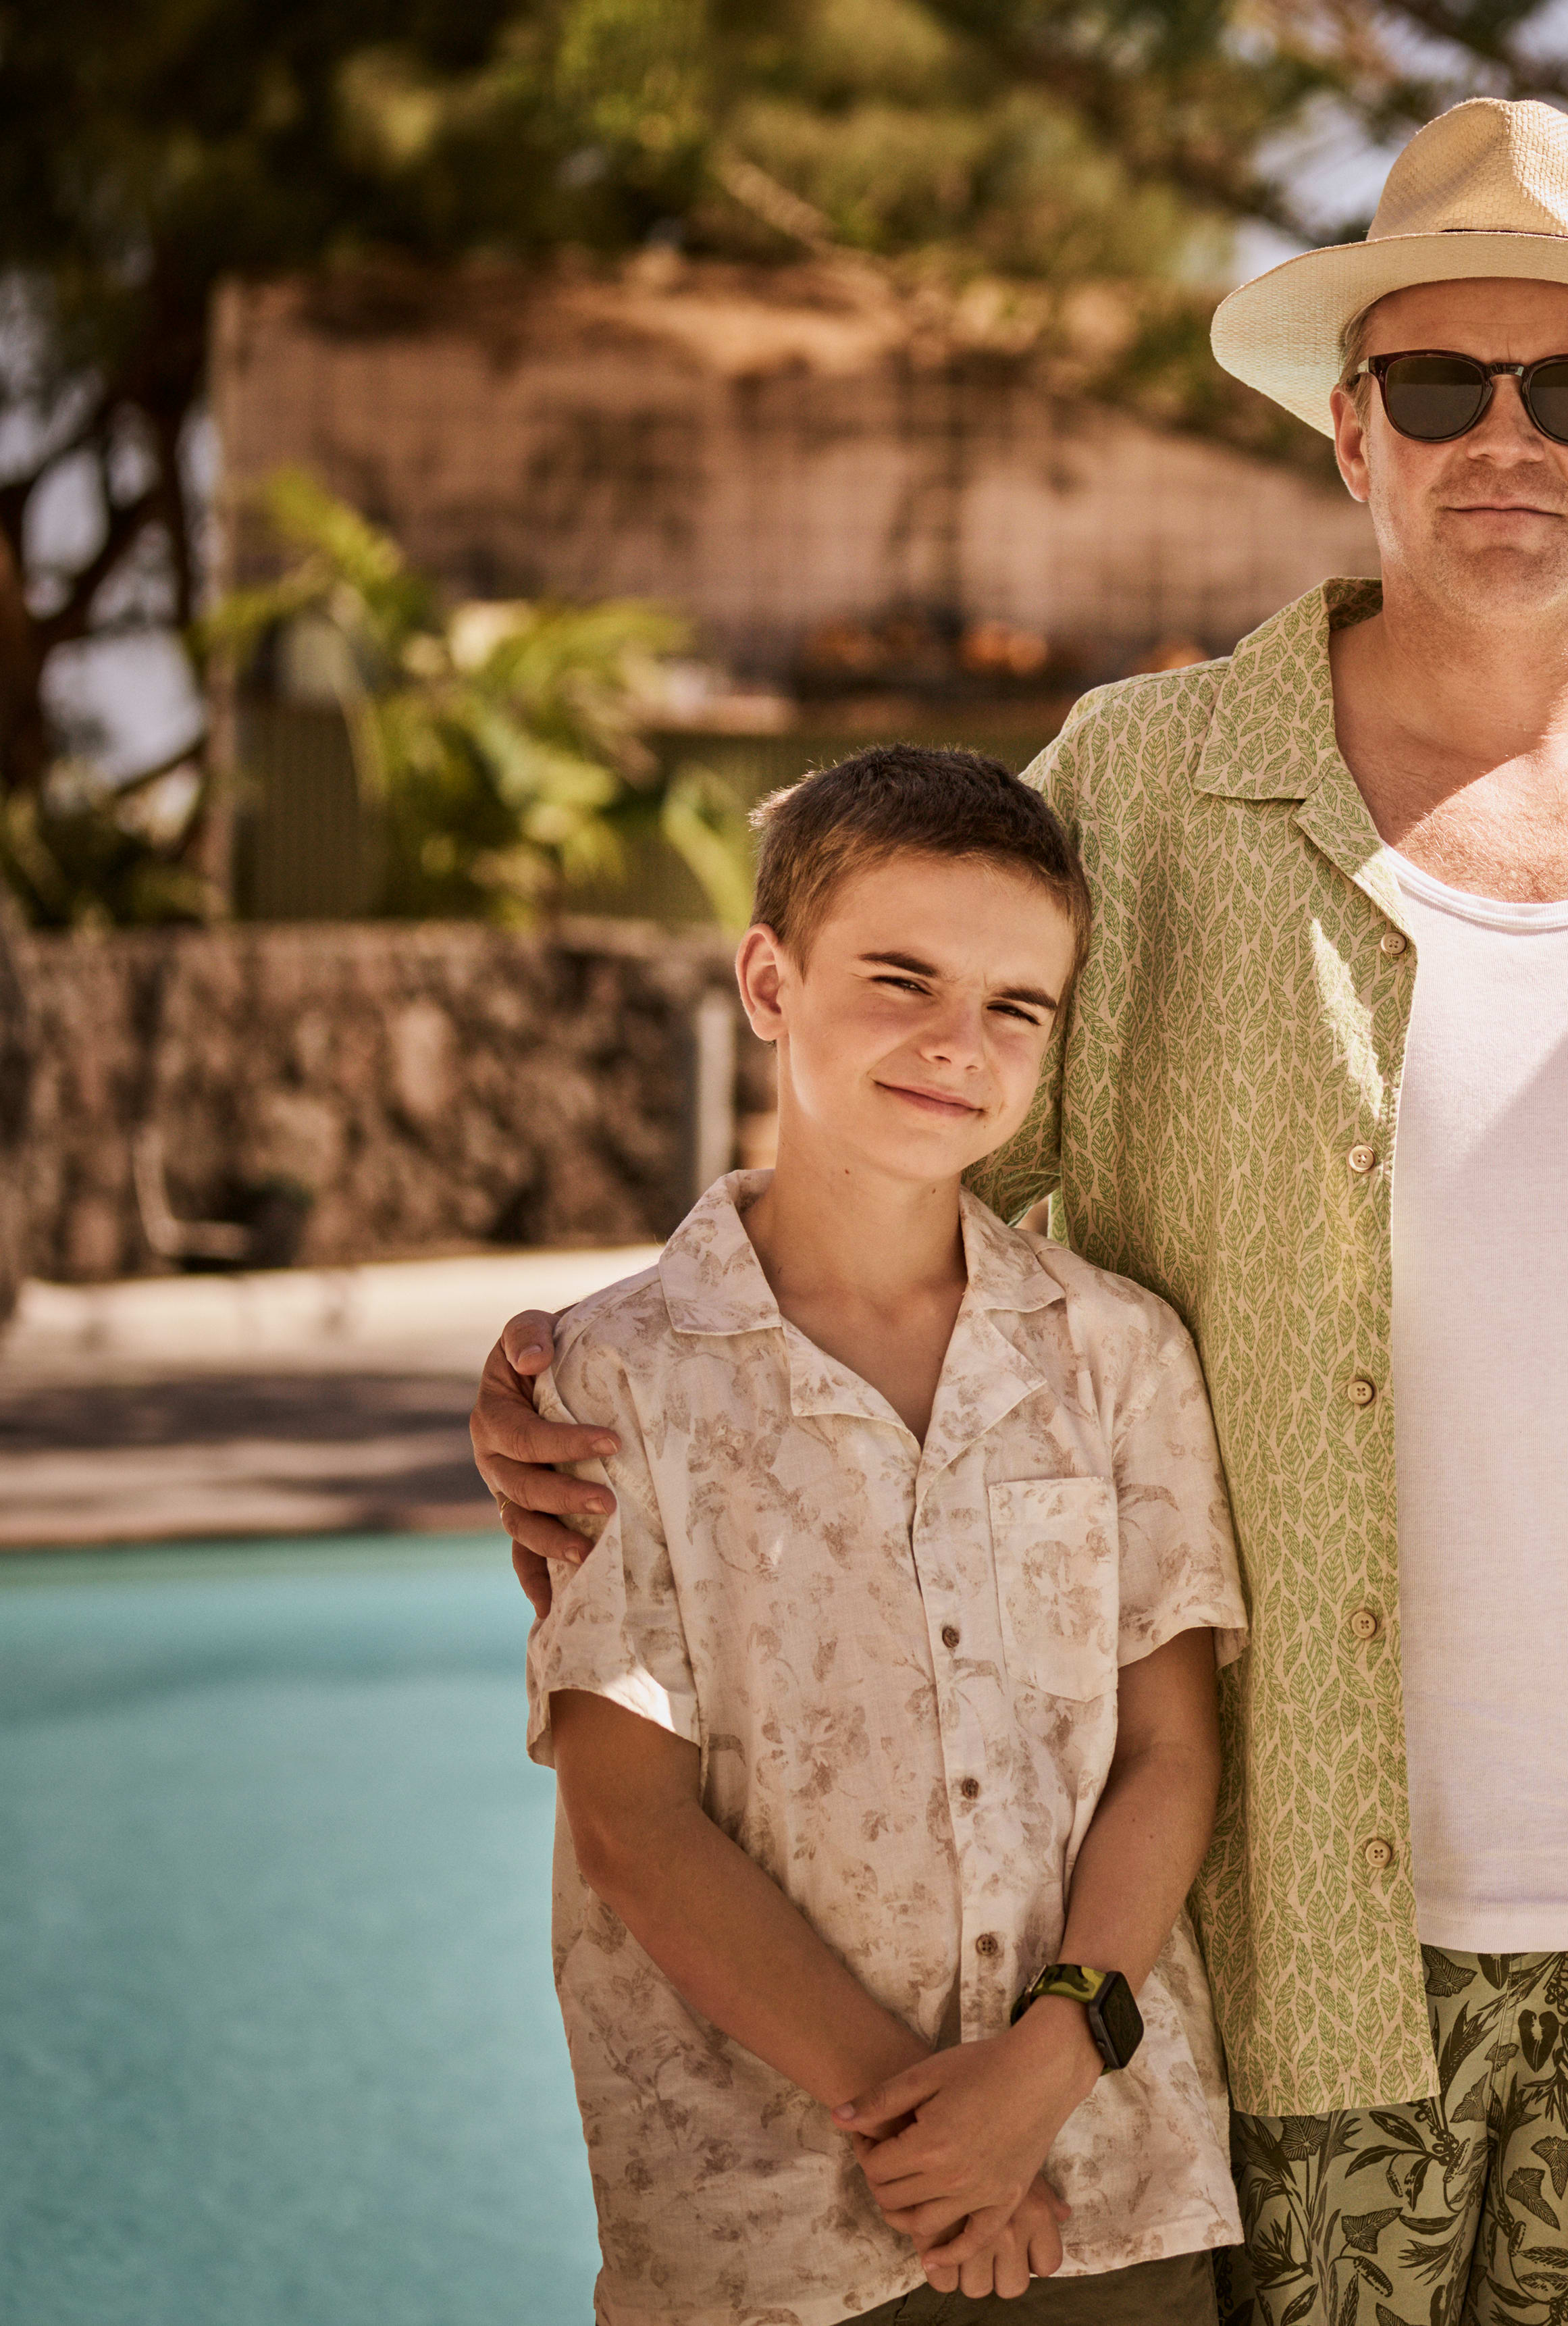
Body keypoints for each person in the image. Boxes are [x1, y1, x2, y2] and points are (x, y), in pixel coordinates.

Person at [475, 99, 1568, 2326]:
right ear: (1353, 434)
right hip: (1282, 1936)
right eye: (1439, 385)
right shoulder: (1133, 794)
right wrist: (615, 1382)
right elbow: (910, 1119)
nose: (1501, 437)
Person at [527, 746, 1245, 2326]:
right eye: (901, 979)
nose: (955, 1046)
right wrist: (930, 2134)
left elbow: (1168, 1754)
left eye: (1015, 1008)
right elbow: (632, 1820)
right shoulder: (617, 1375)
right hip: (763, 2220)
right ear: (771, 980)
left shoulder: (1119, 1353)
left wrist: (1042, 2070)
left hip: (1105, 2193)